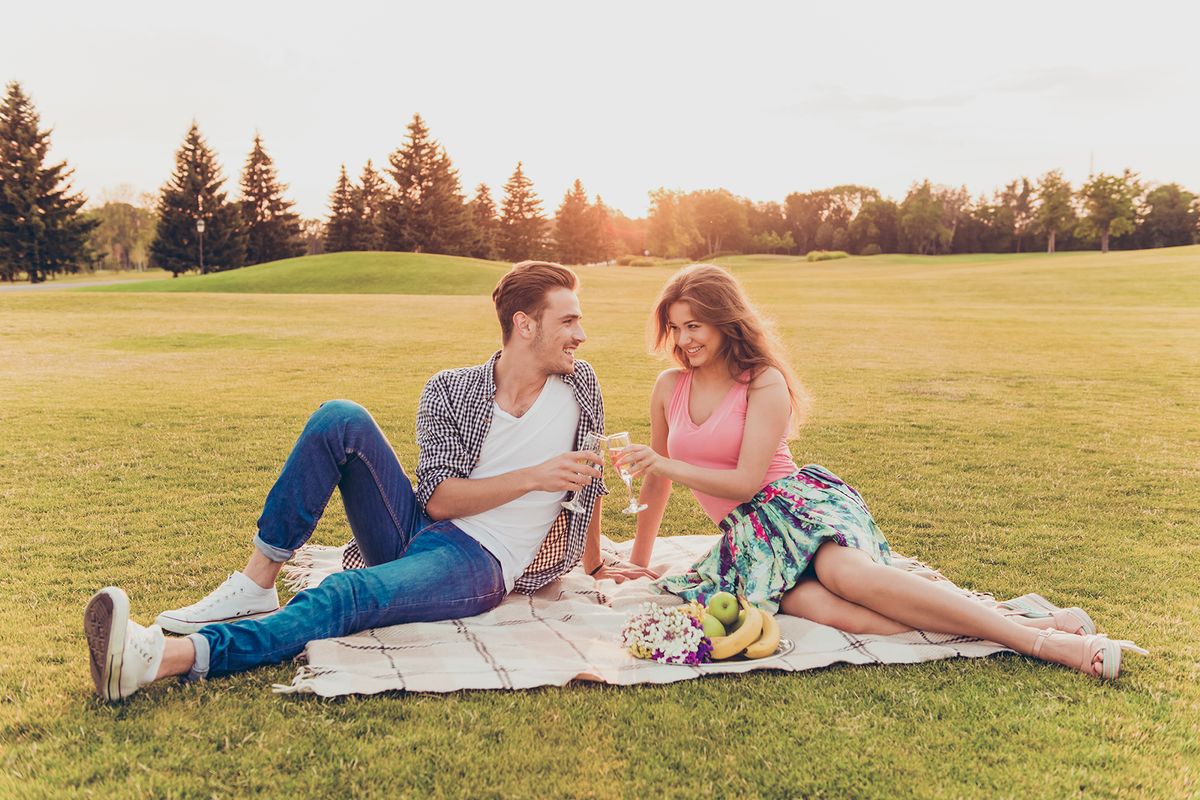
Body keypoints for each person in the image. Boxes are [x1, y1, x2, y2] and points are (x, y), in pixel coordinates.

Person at [83, 260, 656, 702]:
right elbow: (435, 501)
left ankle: (159, 659)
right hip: (421, 529)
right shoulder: (451, 389)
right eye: (570, 320)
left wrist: (596, 563)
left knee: (341, 594)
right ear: (525, 325)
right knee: (341, 418)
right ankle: (259, 579)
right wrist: (533, 476)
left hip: (480, 563)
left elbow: (590, 485)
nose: (581, 334)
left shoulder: (580, 386)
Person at [615, 264, 1146, 680]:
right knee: (839, 613)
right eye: (676, 328)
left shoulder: (762, 381)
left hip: (797, 509)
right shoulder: (669, 387)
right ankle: (1023, 621)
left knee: (850, 578)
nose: (684, 340)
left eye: (695, 326)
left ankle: (1049, 644)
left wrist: (663, 461)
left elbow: (749, 481)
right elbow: (657, 481)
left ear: (725, 322)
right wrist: (640, 560)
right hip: (750, 540)